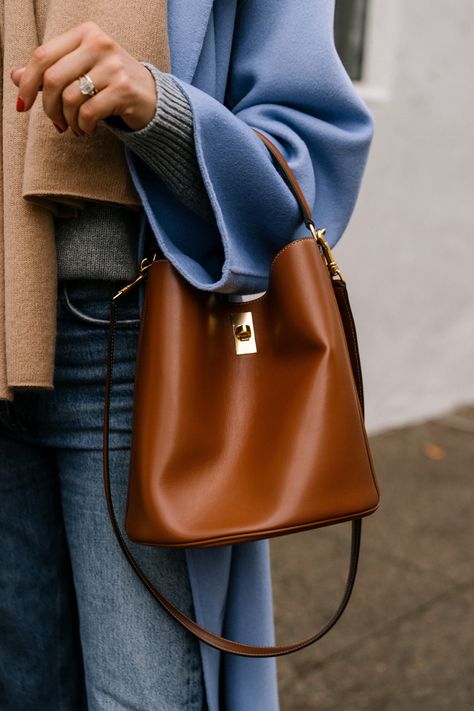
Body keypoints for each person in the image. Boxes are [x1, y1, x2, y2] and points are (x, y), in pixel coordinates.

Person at [0, 1, 374, 709]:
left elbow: (310, 156)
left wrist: (159, 107)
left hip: (134, 348)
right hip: (4, 338)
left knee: (141, 693)